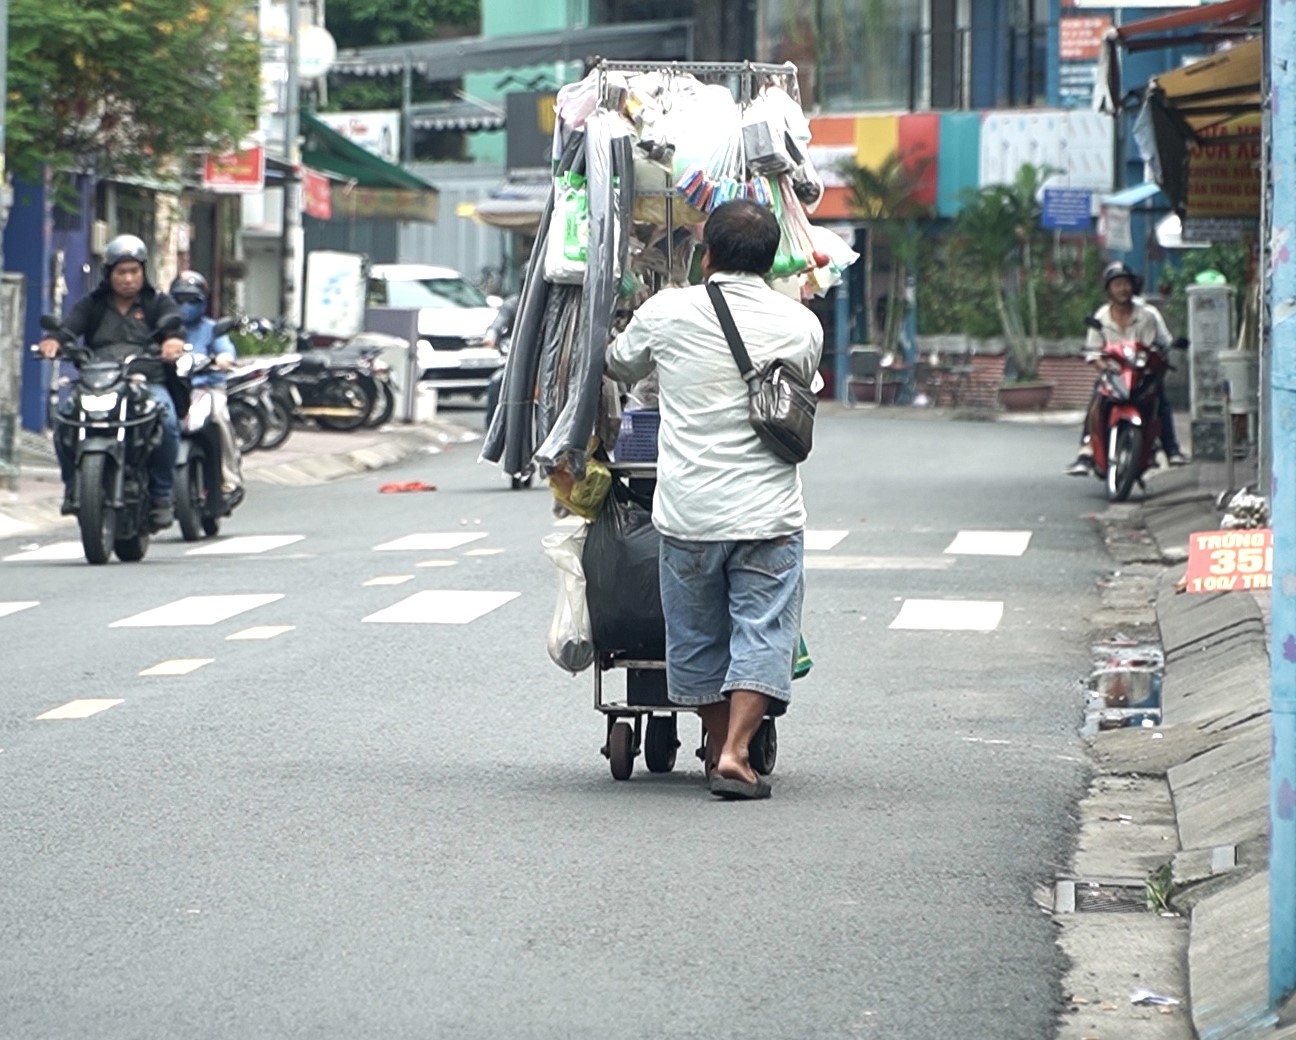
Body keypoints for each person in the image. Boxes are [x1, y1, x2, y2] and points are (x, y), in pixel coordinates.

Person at [605, 199, 823, 801]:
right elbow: (803, 389)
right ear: (772, 258)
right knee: (762, 628)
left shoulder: (667, 311)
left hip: (689, 512)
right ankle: (734, 751)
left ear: (708, 256)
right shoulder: (801, 324)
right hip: (769, 513)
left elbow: (619, 365)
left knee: (696, 635)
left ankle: (720, 742)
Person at [38, 234, 185, 529]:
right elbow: (69, 328)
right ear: (109, 274)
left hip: (145, 382)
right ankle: (72, 486)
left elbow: (174, 325)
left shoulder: (158, 302)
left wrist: (173, 342)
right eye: (121, 272)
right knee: (65, 420)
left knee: (167, 422)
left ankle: (161, 494)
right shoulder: (92, 304)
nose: (128, 279)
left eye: (134, 271)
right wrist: (54, 341)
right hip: (99, 383)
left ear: (144, 272)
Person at [1065, 261, 1189, 476]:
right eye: (1117, 285)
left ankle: (1171, 449)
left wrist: (1154, 367)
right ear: (1108, 289)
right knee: (1096, 399)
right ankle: (1085, 452)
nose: (1122, 289)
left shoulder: (1148, 315)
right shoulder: (1101, 317)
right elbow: (1093, 352)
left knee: (1161, 400)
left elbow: (1159, 346)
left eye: (1125, 284)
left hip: (1142, 375)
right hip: (1113, 375)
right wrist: (1105, 369)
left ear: (1133, 286)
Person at [170, 270, 243, 500]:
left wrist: (222, 359)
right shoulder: (165, 328)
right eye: (180, 299)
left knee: (219, 419)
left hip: (207, 389)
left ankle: (229, 478)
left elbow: (226, 351)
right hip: (175, 388)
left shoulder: (211, 328)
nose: (185, 306)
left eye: (192, 300)